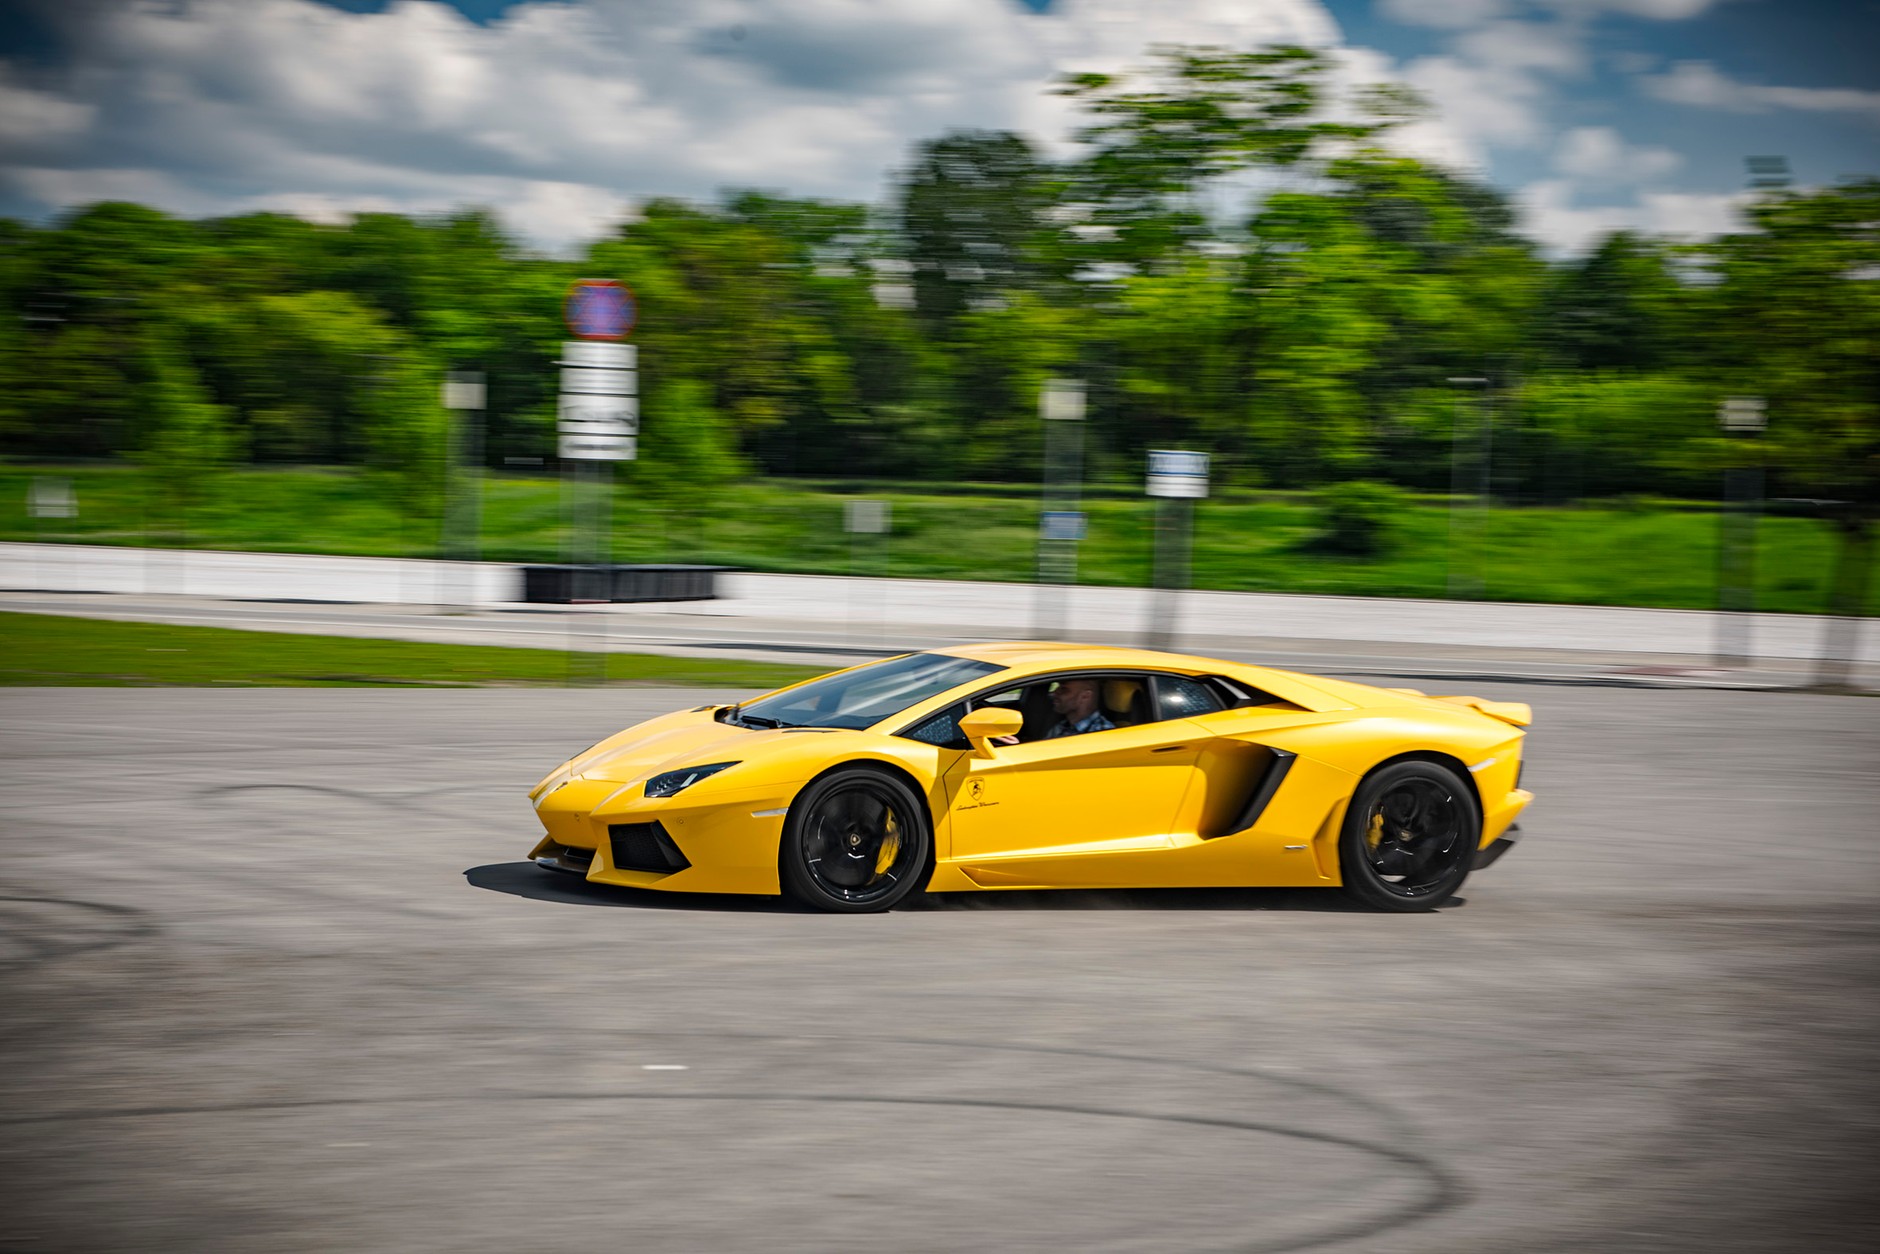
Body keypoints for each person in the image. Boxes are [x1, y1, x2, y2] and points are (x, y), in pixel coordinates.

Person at [1043, 677, 1115, 739]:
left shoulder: (1102, 733)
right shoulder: (1061, 727)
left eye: (1064, 689)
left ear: (1085, 696)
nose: (1054, 693)